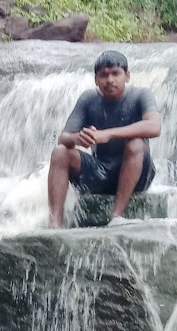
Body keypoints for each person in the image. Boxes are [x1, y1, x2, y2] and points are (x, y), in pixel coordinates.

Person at [47, 51, 161, 228]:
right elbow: (63, 138)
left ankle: (118, 215)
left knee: (136, 143)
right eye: (104, 75)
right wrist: (78, 138)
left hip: (136, 176)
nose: (109, 80)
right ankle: (55, 224)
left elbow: (154, 126)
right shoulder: (88, 99)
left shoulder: (141, 95)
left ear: (127, 76)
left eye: (115, 73)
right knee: (60, 152)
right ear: (96, 80)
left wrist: (108, 134)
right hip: (100, 172)